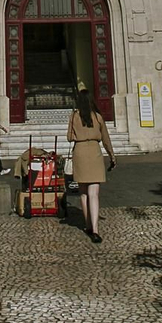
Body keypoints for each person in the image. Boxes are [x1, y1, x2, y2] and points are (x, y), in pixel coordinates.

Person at [66, 89, 117, 243]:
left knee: (83, 193)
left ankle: (87, 224)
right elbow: (106, 139)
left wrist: (79, 133)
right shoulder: (98, 117)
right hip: (94, 151)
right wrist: (112, 156)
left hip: (80, 152)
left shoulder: (74, 116)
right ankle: (95, 229)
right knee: (94, 193)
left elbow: (69, 137)